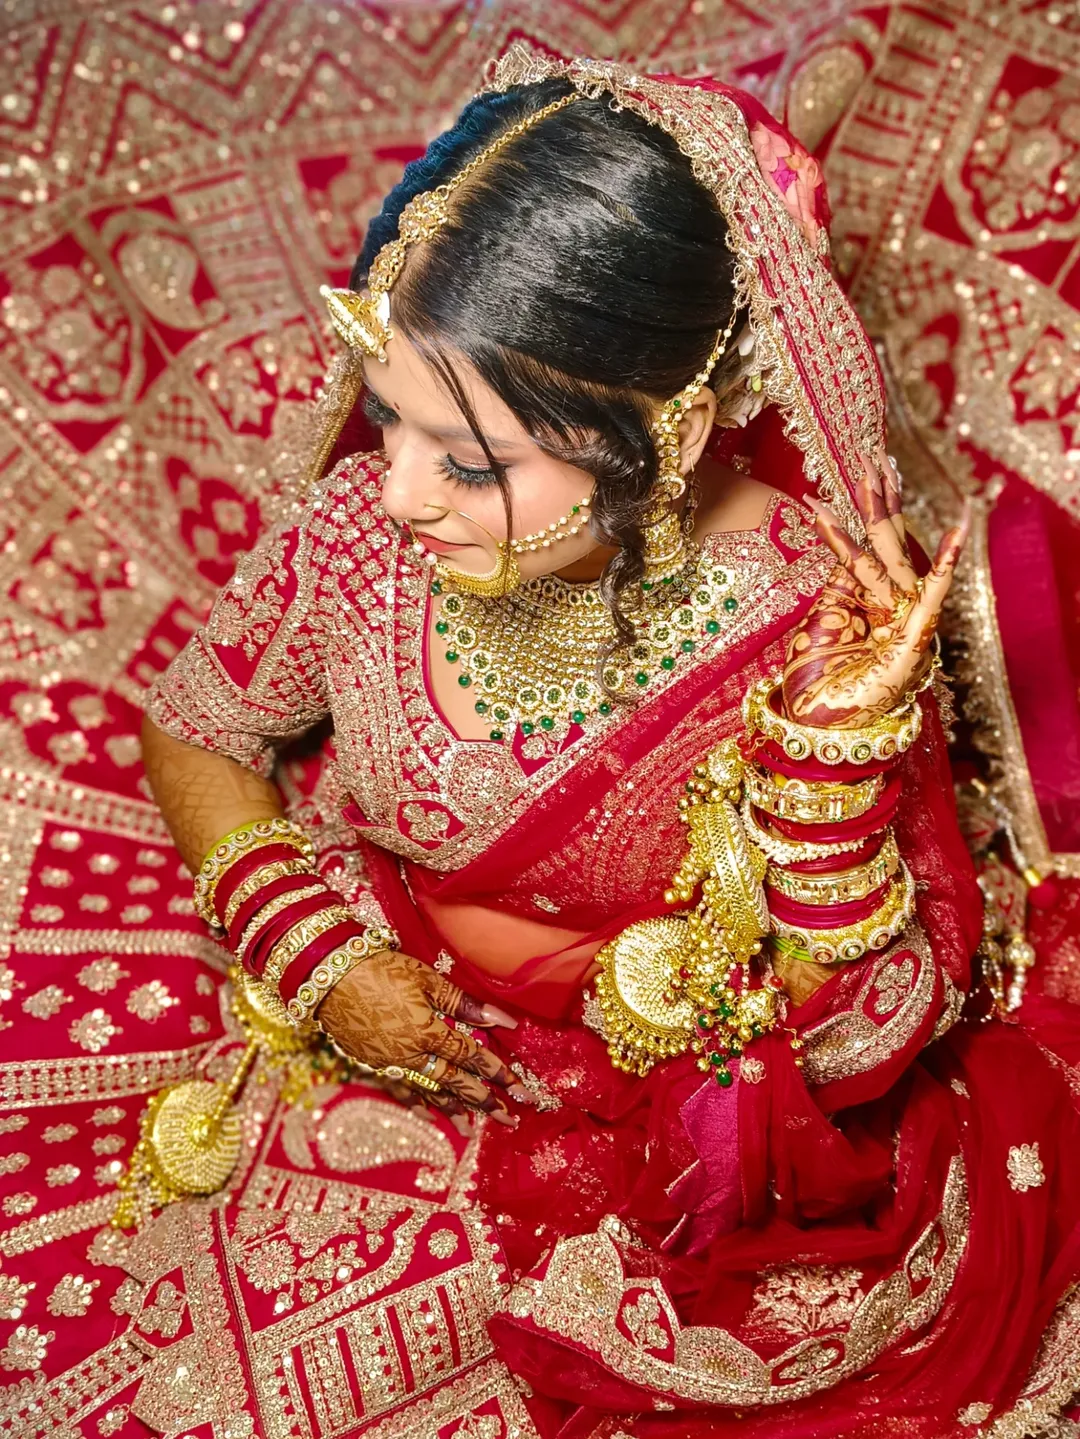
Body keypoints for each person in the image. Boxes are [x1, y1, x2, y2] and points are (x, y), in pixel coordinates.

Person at [6, 46, 1080, 1439]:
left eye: (469, 460)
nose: (397, 491)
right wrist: (312, 948)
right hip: (385, 1006)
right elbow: (202, 727)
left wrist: (831, 768)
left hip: (676, 1094)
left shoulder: (811, 618)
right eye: (386, 416)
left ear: (669, 437)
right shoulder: (359, 541)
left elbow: (867, 1019)